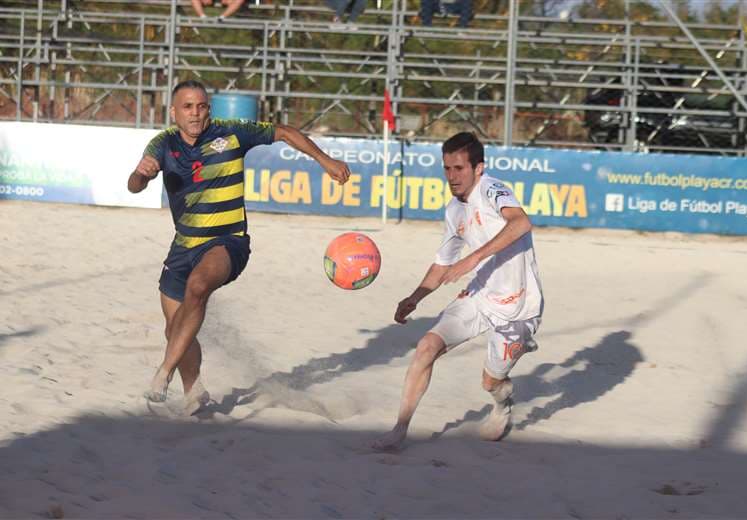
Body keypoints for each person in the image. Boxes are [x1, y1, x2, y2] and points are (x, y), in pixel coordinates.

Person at [128, 80, 350, 414]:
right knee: (174, 328)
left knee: (198, 287)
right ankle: (194, 390)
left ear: (209, 109)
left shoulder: (230, 132)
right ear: (173, 112)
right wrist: (142, 175)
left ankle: (164, 372)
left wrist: (325, 160)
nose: (195, 113)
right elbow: (133, 185)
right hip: (183, 246)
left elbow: (284, 132)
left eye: (201, 106)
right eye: (187, 107)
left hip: (227, 242)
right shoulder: (163, 143)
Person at [372, 131, 543, 451]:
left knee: (491, 381)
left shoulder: (492, 188)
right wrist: (414, 297)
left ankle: (502, 402)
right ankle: (399, 429)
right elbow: (443, 264)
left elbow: (521, 223)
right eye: (447, 168)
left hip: (518, 307)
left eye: (459, 168)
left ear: (478, 168)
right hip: (478, 296)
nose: (452, 176)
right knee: (426, 346)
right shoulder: (454, 210)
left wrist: (473, 258)